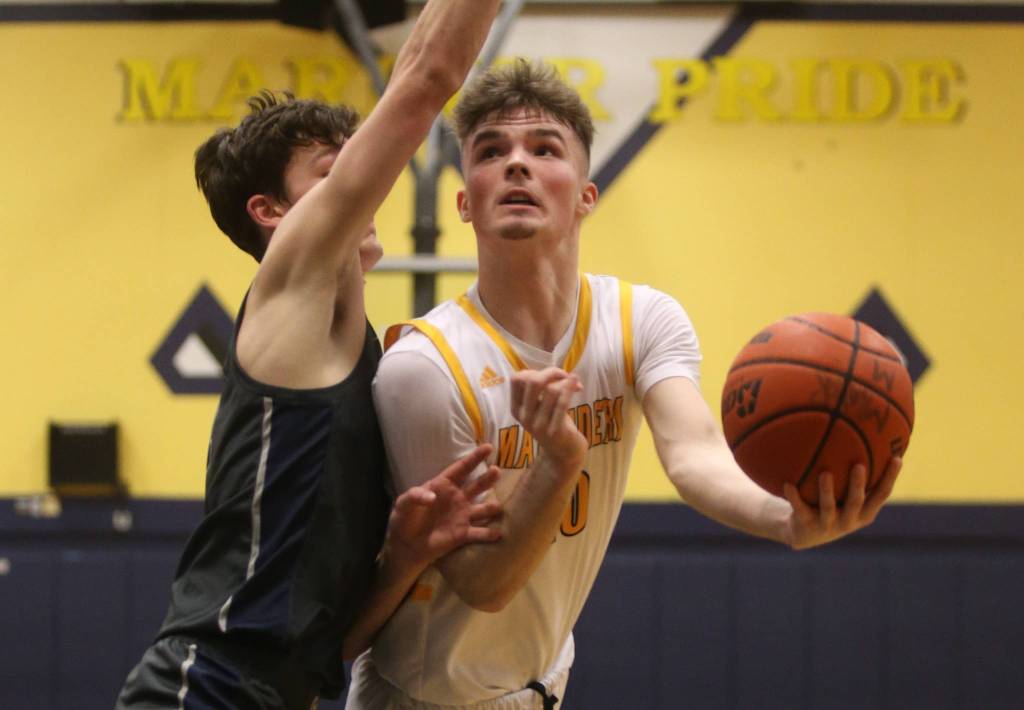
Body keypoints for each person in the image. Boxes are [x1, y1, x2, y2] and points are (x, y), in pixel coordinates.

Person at [345, 60, 903, 709]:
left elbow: (693, 455)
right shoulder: (425, 366)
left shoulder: (641, 320)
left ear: (586, 194)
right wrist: (557, 460)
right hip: (423, 699)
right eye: (491, 151)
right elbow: (482, 585)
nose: (516, 164)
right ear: (465, 201)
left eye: (544, 148)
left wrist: (783, 520)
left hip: (544, 687)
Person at [115, 2, 504, 708]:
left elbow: (337, 646)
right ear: (272, 212)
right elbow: (426, 78)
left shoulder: (357, 363)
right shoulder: (288, 285)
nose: (366, 182)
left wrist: (405, 559)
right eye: (335, 170)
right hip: (206, 684)